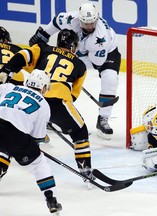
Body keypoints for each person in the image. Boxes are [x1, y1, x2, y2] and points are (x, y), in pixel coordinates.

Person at [0, 29, 95, 183]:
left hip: (32, 99)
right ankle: (86, 171)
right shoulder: (80, 64)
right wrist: (55, 117)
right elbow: (72, 96)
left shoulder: (42, 48)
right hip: (58, 102)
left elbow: (24, 56)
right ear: (73, 46)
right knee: (80, 132)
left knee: (13, 131)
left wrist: (8, 70)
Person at [28, 2, 121, 140]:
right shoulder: (71, 19)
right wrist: (44, 35)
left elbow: (97, 63)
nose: (90, 27)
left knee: (110, 79)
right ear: (80, 19)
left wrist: (71, 57)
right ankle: (47, 112)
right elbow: (55, 22)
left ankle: (103, 119)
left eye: (92, 23)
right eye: (86, 24)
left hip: (105, 54)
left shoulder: (100, 38)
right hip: (83, 51)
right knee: (55, 67)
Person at [0, 69, 62, 214]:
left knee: (3, 149)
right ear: (44, 87)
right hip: (16, 137)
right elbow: (37, 137)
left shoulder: (10, 87)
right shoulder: (44, 105)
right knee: (39, 163)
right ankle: (50, 198)